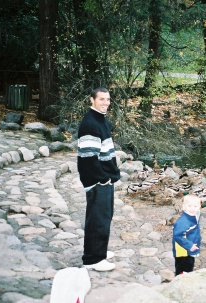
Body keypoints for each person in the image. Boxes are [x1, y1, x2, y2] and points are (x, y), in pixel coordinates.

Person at [77, 87, 120, 271]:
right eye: (101, 99)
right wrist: (102, 179)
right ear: (92, 100)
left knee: (104, 216)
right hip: (97, 180)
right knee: (97, 219)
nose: (105, 103)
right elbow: (88, 158)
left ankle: (99, 251)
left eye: (108, 99)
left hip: (105, 178)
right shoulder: (90, 124)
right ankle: (93, 260)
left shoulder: (100, 119)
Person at [172, 194, 202, 276]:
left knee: (190, 265)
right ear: (184, 207)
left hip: (190, 247)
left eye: (195, 206)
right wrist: (189, 245)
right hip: (183, 250)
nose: (192, 209)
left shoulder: (194, 216)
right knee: (183, 268)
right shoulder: (183, 222)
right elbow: (177, 236)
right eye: (189, 206)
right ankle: (180, 282)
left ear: (199, 206)